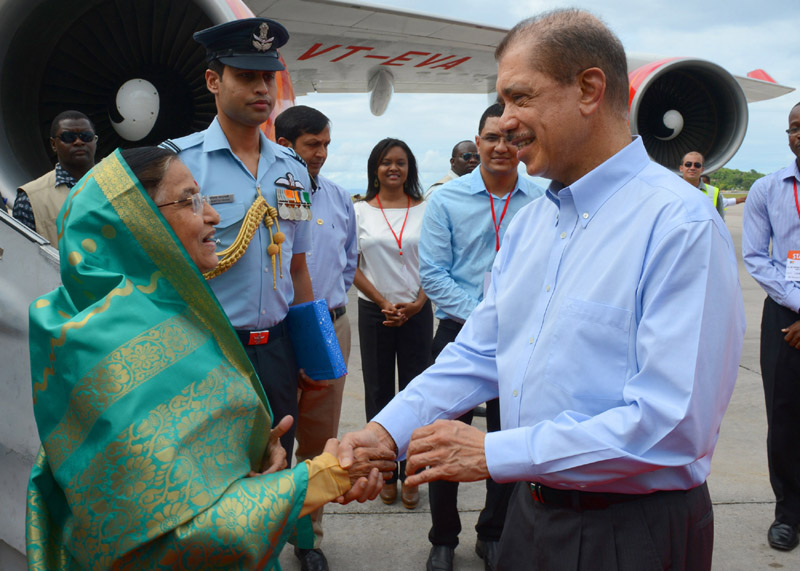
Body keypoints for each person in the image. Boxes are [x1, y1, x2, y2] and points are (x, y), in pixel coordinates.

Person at [340, 9, 745, 570]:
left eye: (519, 98)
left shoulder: (679, 225)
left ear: (588, 89)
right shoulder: (532, 224)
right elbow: (478, 352)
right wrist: (386, 433)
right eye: (501, 104)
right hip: (530, 517)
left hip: (631, 531)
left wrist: (493, 452)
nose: (504, 123)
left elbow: (672, 425)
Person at [25, 146, 391, 571]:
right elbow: (177, 536)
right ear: (135, 222)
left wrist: (251, 452)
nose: (213, 216)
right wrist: (320, 478)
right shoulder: (111, 350)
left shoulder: (167, 312)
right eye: (190, 201)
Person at [162, 18, 314, 459]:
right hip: (210, 349)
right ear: (213, 80)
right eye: (246, 76)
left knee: (277, 473)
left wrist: (308, 353)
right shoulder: (180, 165)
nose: (262, 88)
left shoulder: (291, 167)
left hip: (279, 351)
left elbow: (297, 266)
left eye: (267, 76)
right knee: (214, 475)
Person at [420, 102, 543, 571]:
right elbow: (433, 273)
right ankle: (443, 539)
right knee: (442, 438)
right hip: (457, 333)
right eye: (491, 138)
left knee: (506, 439)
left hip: (523, 340)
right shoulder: (447, 200)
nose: (500, 147)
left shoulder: (542, 198)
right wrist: (483, 318)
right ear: (478, 141)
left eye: (511, 139)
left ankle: (493, 532)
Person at [275, 105, 358, 571]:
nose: (322, 154)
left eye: (326, 144)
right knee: (271, 439)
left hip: (329, 326)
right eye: (314, 144)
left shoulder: (339, 197)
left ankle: (308, 537)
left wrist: (329, 306)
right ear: (286, 145)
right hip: (275, 333)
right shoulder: (268, 194)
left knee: (318, 439)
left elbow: (349, 259)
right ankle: (262, 529)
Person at [354, 138, 432, 510]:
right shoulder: (360, 213)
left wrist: (417, 303)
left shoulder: (427, 210)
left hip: (418, 311)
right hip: (375, 312)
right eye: (386, 162)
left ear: (409, 169)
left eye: (401, 162)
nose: (393, 169)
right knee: (379, 392)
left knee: (417, 395)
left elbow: (437, 261)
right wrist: (384, 302)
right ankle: (385, 472)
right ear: (375, 168)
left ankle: (413, 471)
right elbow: (351, 265)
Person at [742, 101, 800, 552]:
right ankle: (788, 514)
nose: (799, 135)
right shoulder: (767, 189)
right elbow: (757, 257)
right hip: (785, 314)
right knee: (784, 418)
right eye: (793, 129)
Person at [13, 110, 97, 245]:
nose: (79, 142)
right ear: (53, 144)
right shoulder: (29, 199)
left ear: (95, 140)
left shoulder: (121, 185)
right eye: (69, 137)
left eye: (86, 136)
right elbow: (23, 255)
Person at [680, 151, 730, 219]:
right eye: (688, 164)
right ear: (681, 168)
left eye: (697, 165)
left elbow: (720, 221)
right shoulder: (670, 191)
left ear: (702, 169)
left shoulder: (714, 192)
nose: (692, 168)